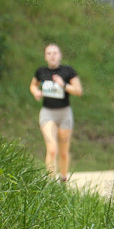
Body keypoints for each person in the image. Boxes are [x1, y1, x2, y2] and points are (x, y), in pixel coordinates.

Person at [29, 43, 83, 182]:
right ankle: (51, 183)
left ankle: (63, 179)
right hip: (48, 113)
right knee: (52, 149)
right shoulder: (41, 71)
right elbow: (33, 85)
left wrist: (63, 84)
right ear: (45, 56)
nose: (52, 56)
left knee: (63, 152)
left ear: (60, 55)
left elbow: (78, 91)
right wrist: (36, 92)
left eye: (55, 53)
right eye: (49, 53)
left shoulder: (68, 71)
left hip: (65, 113)